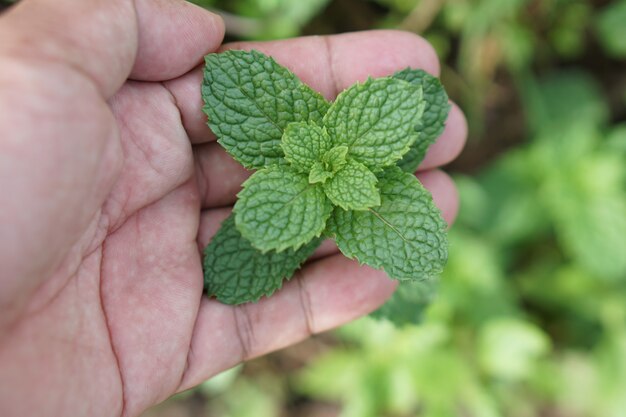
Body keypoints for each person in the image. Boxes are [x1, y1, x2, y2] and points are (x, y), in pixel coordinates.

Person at [0, 0, 467, 415]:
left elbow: (409, 104)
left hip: (340, 170)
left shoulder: (353, 177)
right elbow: (232, 84)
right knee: (265, 230)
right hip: (305, 173)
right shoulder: (299, 157)